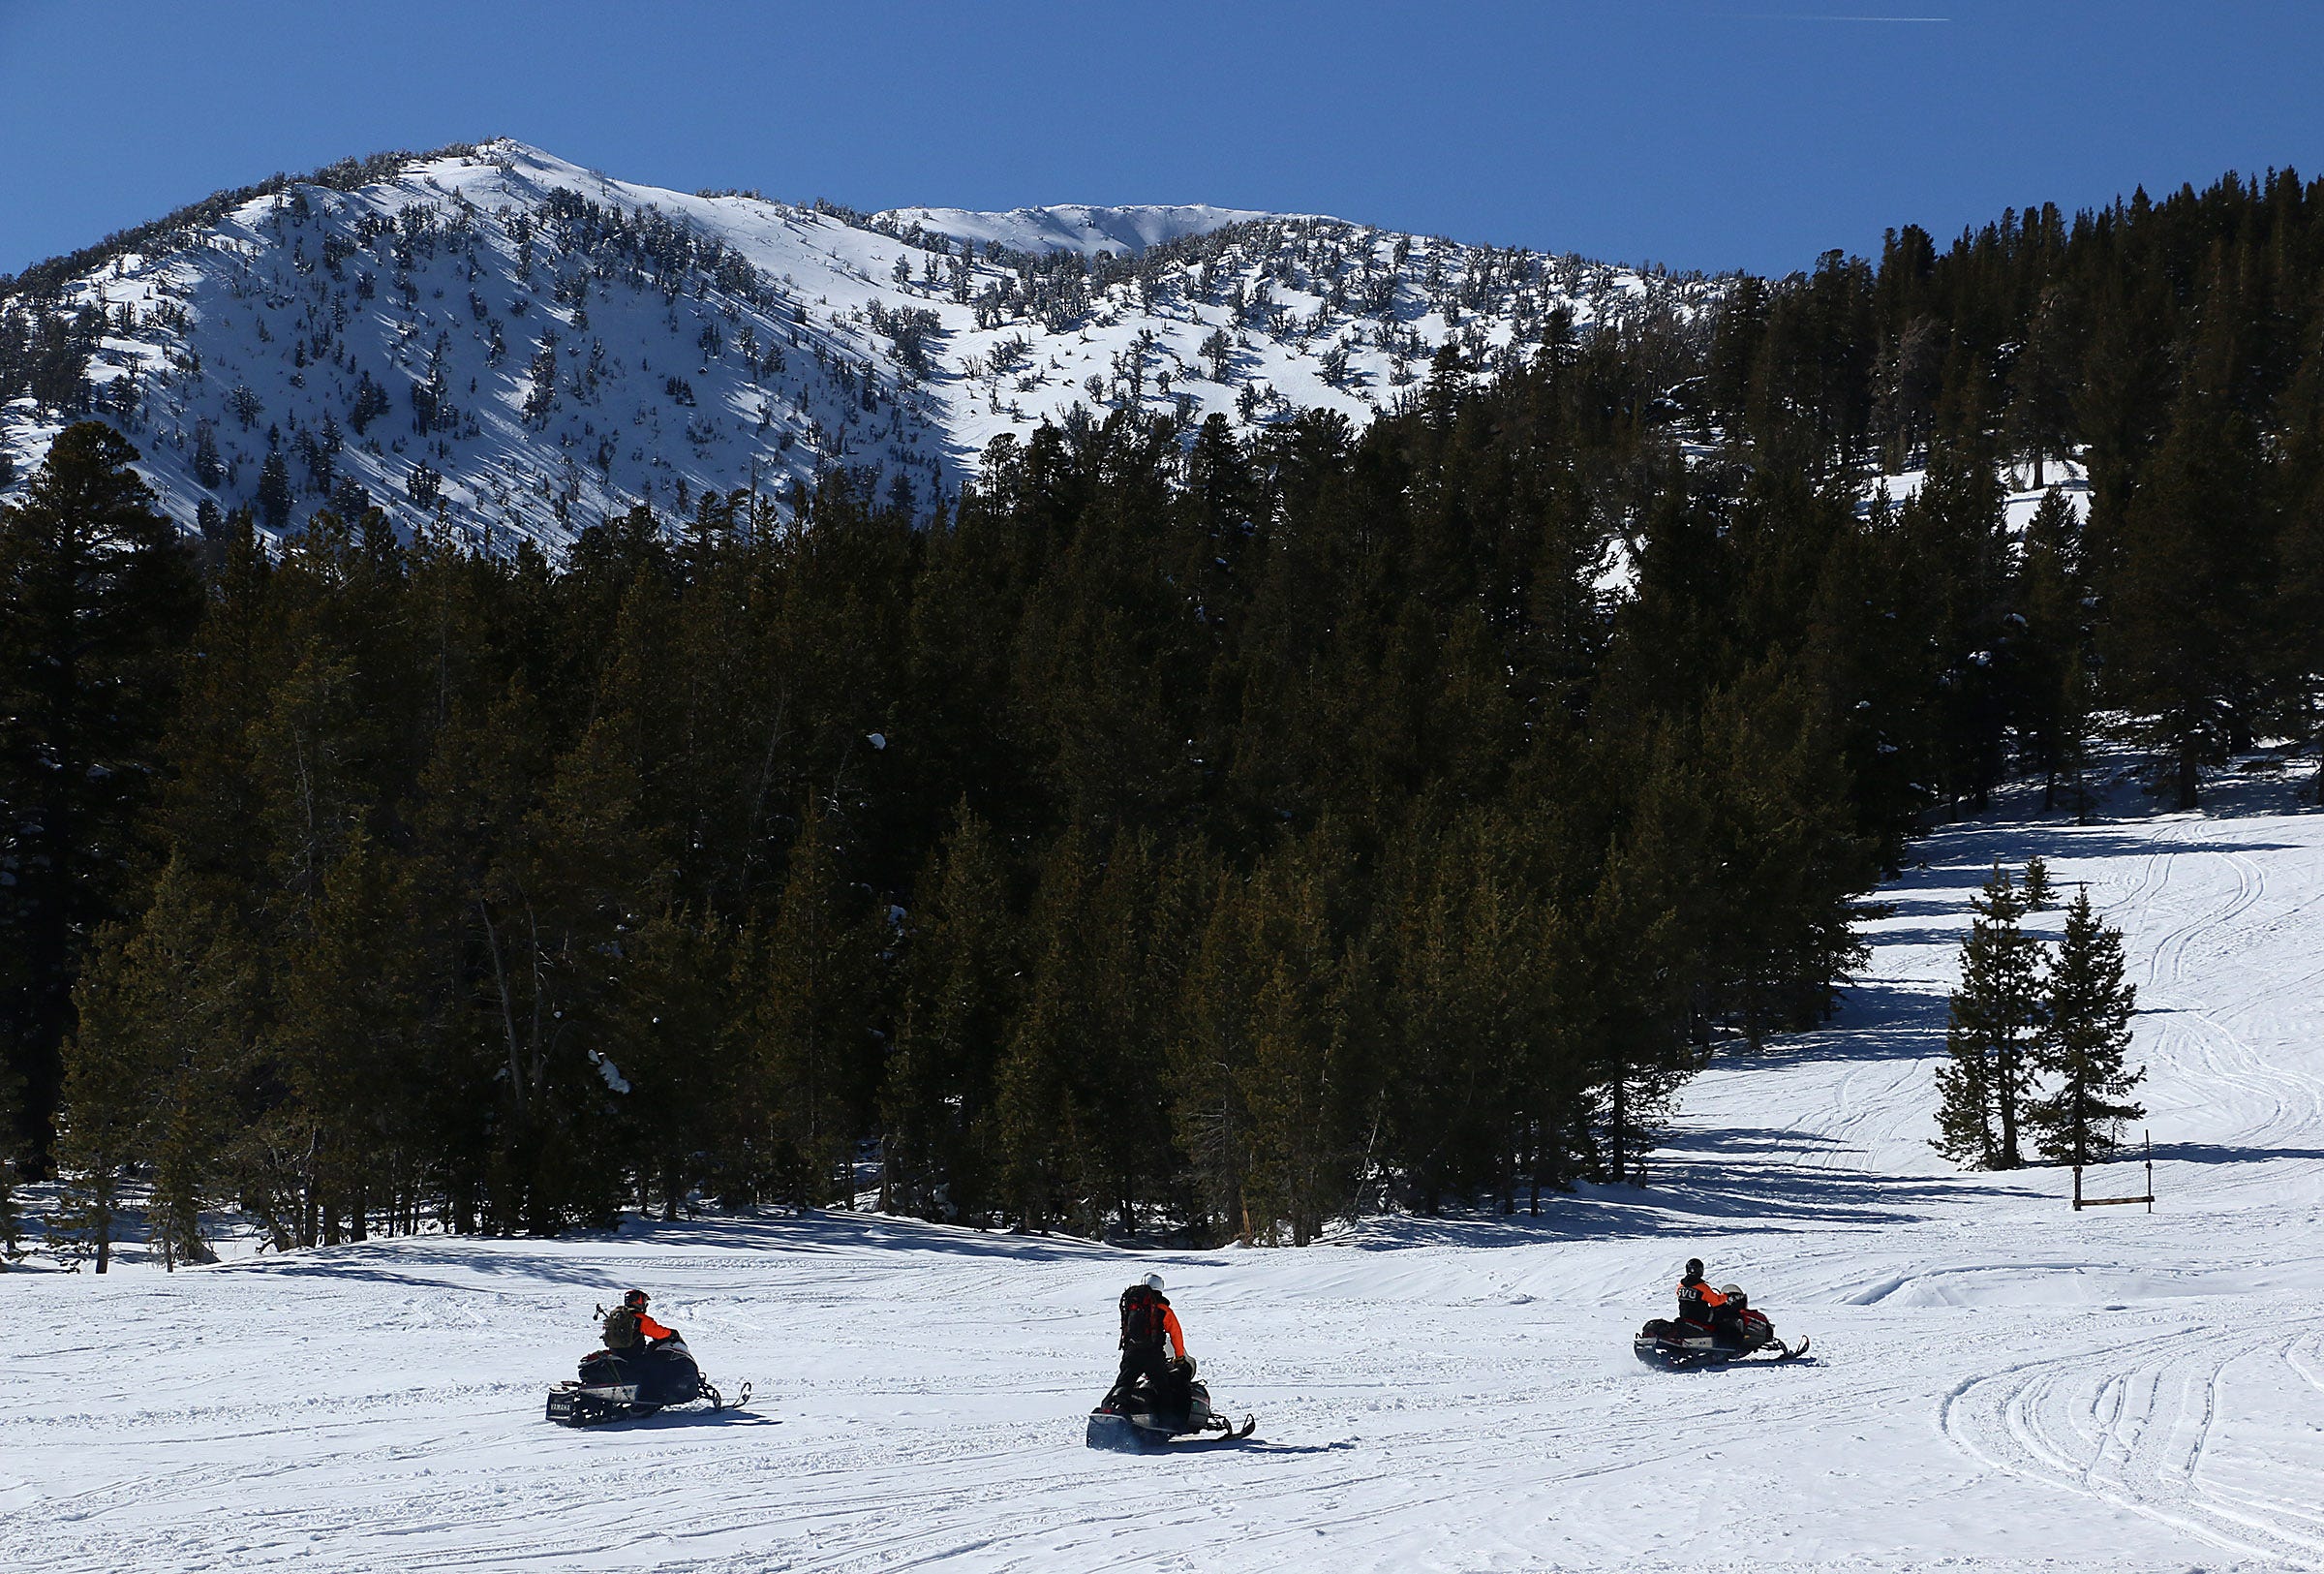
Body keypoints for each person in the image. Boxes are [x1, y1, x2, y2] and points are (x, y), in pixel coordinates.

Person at [1106, 1272, 1190, 1417]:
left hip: (1131, 1353)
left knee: (1123, 1385)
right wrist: (1180, 1357)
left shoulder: (1132, 1306)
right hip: (1153, 1356)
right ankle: (1166, 1423)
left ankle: (1107, 1409)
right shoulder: (1163, 1309)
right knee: (1164, 1389)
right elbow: (1176, 1334)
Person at [601, 1288, 677, 1350]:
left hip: (615, 1351)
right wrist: (671, 1333)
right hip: (634, 1355)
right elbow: (657, 1332)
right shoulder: (639, 1317)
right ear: (639, 1301)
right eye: (644, 1301)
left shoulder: (617, 1315)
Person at [1676, 1258, 1729, 1332]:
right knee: (1721, 1311)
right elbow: (1716, 1302)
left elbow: (1678, 1295)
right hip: (1701, 1319)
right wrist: (1726, 1296)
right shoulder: (1702, 1287)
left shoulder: (1681, 1286)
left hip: (1685, 1318)